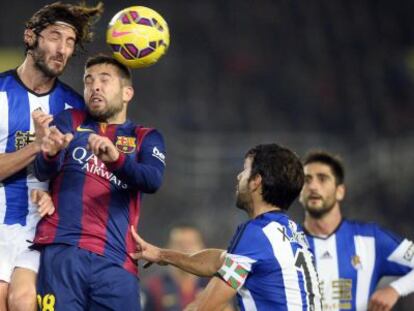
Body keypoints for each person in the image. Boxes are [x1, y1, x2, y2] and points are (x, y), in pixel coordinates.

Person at [32, 54, 166, 311]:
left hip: (117, 261)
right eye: (88, 80)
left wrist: (116, 159)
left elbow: (152, 180)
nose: (94, 86)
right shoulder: (70, 120)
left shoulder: (145, 137)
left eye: (105, 80)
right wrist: (49, 153)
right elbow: (42, 172)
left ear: (127, 93)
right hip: (63, 252)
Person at [132, 144, 322, 310]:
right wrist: (162, 255)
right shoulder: (289, 232)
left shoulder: (256, 235)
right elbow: (220, 261)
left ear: (256, 181)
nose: (239, 176)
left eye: (245, 170)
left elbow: (203, 307)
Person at [0, 2, 103, 311]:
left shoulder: (74, 109)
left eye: (70, 42)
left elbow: (78, 178)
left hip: (44, 226)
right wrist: (37, 146)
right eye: (55, 36)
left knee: (23, 301)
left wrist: (54, 197)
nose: (63, 49)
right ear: (30, 37)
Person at [299, 150, 414, 311]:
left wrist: (395, 289)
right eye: (306, 180)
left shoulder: (371, 239)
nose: (313, 186)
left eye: (322, 179)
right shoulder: (285, 244)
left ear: (340, 191)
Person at [142, 224, 209, 311]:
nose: (186, 250)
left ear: (203, 248)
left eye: (191, 244)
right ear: (167, 249)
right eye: (179, 244)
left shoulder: (214, 284)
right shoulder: (154, 287)